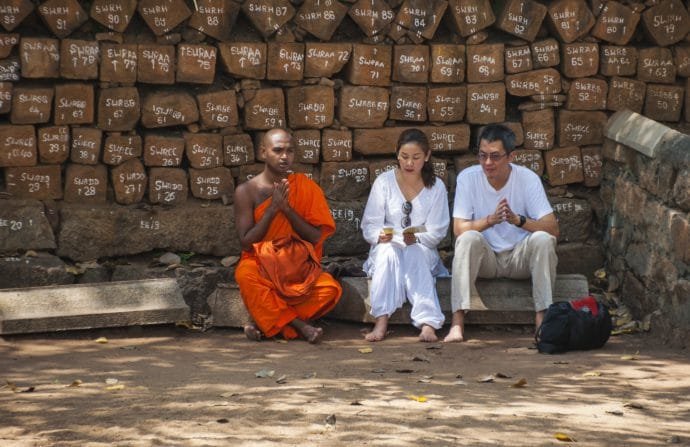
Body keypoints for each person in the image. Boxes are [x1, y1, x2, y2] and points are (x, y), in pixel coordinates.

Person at [445, 124, 559, 343]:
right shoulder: (468, 178)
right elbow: (459, 229)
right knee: (467, 239)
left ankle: (543, 321)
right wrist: (490, 220)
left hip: (519, 259)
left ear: (511, 156)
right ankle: (457, 322)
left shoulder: (527, 179)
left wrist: (520, 221)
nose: (488, 163)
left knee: (544, 240)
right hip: (486, 260)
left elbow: (553, 228)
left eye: (495, 156)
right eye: (483, 156)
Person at [233, 129, 342, 343]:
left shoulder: (306, 187)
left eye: (290, 151)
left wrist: (287, 210)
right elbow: (246, 243)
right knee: (245, 274)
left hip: (297, 265)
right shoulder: (246, 191)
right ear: (263, 152)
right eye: (278, 150)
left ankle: (266, 322)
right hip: (261, 264)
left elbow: (314, 237)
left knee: (330, 288)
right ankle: (299, 326)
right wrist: (272, 210)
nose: (285, 156)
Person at [360, 128, 450, 342]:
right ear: (397, 155)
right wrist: (379, 235)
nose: (409, 163)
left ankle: (428, 322)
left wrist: (416, 237)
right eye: (404, 157)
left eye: (416, 158)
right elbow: (370, 223)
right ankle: (381, 319)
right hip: (389, 245)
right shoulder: (384, 182)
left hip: (421, 247)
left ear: (426, 157)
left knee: (415, 253)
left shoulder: (436, 187)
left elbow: (438, 229)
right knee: (387, 252)